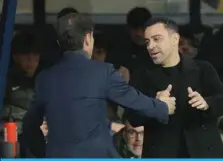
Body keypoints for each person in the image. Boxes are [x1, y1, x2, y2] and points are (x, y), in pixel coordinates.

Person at [21, 13, 175, 158]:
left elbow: (29, 127)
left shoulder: (44, 79)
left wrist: (44, 153)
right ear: (88, 38)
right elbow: (134, 101)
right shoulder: (103, 72)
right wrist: (162, 106)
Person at [128, 18, 223, 158]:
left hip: (204, 151)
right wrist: (154, 106)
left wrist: (206, 103)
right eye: (147, 41)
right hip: (162, 152)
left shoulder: (202, 69)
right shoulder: (141, 75)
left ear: (175, 39)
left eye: (156, 39)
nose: (150, 46)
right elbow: (132, 117)